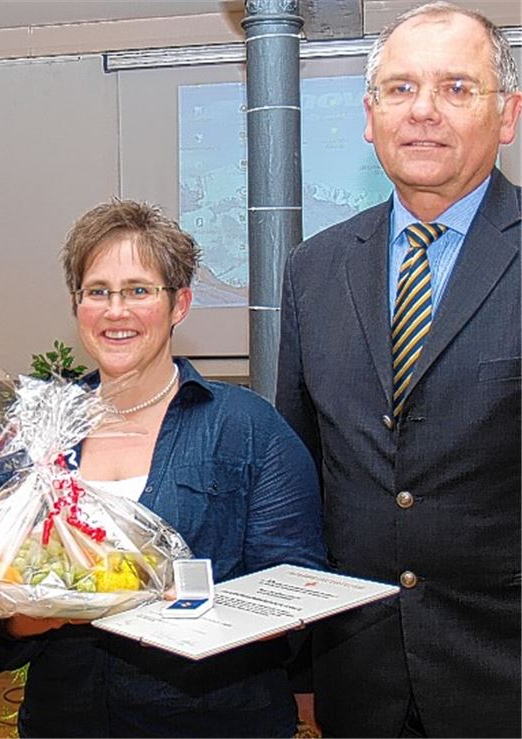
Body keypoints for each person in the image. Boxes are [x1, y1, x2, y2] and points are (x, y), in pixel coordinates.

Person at [0, 200, 326, 738]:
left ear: (180, 304)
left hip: (215, 723)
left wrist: (181, 599)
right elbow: (4, 620)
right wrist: (53, 606)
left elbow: (296, 594)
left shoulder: (249, 429)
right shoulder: (38, 432)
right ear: (77, 304)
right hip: (65, 722)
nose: (115, 310)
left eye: (139, 290)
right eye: (97, 291)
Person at [275, 4, 521, 737]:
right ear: (369, 114)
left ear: (507, 114)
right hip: (360, 679)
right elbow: (301, 478)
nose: (423, 113)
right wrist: (302, 667)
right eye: (400, 89)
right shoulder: (314, 270)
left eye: (455, 88)